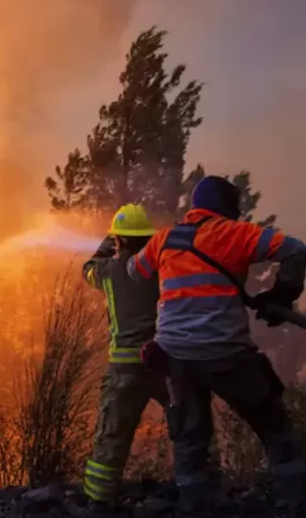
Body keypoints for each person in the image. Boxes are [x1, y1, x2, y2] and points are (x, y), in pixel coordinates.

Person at [127, 175, 306, 516]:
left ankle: (194, 504)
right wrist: (283, 293)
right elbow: (296, 250)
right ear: (226, 206)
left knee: (190, 438)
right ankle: (293, 501)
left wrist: (121, 250)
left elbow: (135, 271)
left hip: (176, 356)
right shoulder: (235, 233)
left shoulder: (165, 239)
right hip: (227, 354)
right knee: (273, 424)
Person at [81, 204, 169, 517]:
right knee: (188, 425)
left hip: (123, 370)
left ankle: (99, 503)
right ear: (148, 239)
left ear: (119, 239)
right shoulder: (161, 267)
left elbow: (87, 269)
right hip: (165, 364)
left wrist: (106, 243)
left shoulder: (107, 271)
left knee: (112, 435)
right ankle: (199, 492)